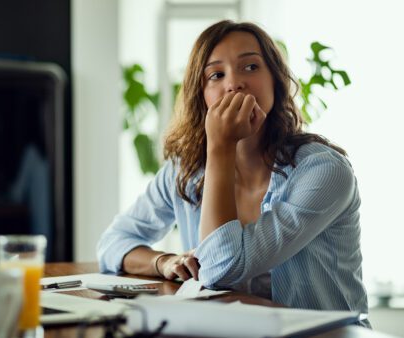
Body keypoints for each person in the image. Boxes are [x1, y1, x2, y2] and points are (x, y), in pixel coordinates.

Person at [97, 20, 369, 324]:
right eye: (217, 74)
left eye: (250, 67)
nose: (234, 83)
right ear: (201, 95)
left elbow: (220, 270)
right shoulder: (185, 170)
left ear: (276, 81)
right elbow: (113, 243)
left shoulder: (323, 171)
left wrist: (220, 147)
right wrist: (163, 262)